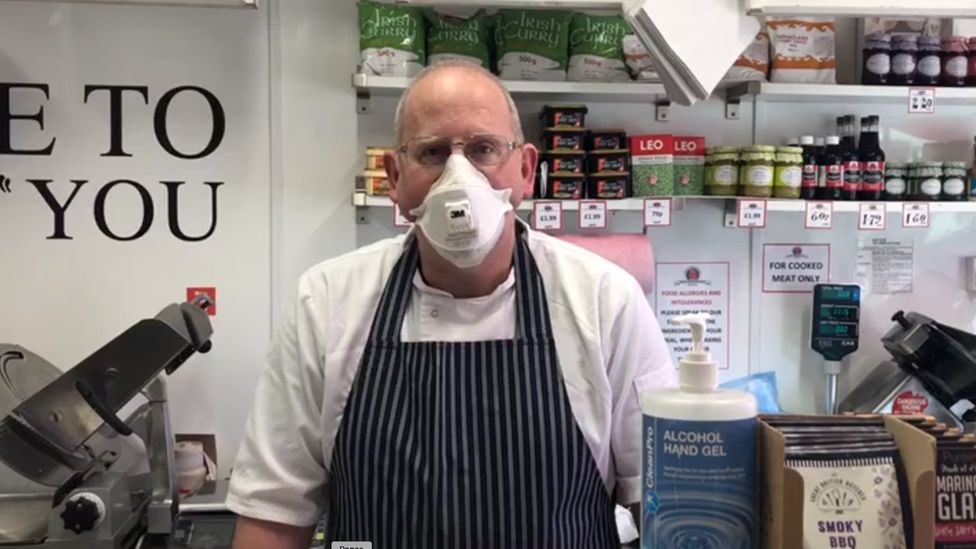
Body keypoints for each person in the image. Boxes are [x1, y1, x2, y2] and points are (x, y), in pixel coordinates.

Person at [227, 59, 676, 549]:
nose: (458, 176)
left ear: (526, 170)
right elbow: (273, 516)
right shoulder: (327, 301)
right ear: (394, 177)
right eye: (433, 152)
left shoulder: (605, 301)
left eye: (483, 148)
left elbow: (663, 505)